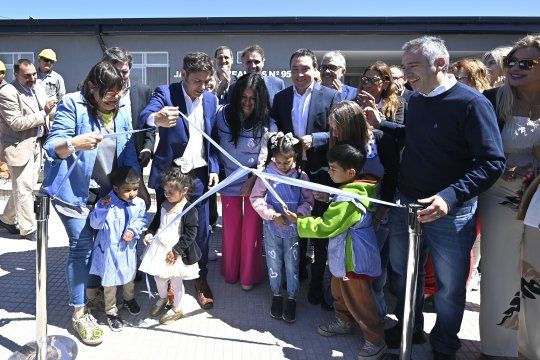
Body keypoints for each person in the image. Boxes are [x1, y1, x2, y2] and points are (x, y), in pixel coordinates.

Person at [377, 36, 505, 359]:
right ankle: (410, 325)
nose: (405, 75)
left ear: (440, 64)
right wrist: (383, 125)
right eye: (404, 67)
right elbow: (419, 137)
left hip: (452, 212)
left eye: (412, 67)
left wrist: (450, 196)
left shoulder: (472, 104)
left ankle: (445, 343)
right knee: (406, 273)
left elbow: (493, 162)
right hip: (407, 204)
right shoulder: (416, 100)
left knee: (449, 288)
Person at [42, 60, 140, 345]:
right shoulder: (73, 104)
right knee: (82, 249)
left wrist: (137, 186)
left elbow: (127, 150)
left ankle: (93, 295)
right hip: (74, 193)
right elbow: (52, 146)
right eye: (108, 96)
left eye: (118, 95)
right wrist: (74, 142)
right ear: (91, 89)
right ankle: (78, 314)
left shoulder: (120, 111)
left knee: (102, 244)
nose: (114, 101)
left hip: (107, 194)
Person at [286, 144, 387, 360]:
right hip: (345, 258)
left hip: (354, 260)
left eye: (333, 168)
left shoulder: (348, 199)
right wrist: (330, 199)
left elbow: (326, 227)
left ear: (350, 173)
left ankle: (375, 341)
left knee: (361, 301)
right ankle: (343, 321)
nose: (329, 172)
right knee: (339, 291)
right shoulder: (352, 189)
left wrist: (300, 221)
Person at [139, 52, 219, 310]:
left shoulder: (210, 99)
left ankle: (199, 279)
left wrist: (215, 168)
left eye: (207, 81)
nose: (202, 87)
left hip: (199, 176)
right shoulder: (166, 92)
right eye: (197, 81)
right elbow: (145, 116)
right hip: (172, 176)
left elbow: (212, 139)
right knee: (168, 230)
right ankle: (168, 282)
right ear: (183, 74)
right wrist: (157, 119)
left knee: (201, 230)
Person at [480, 34, 540, 359]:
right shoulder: (491, 100)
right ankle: (497, 350)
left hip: (539, 199)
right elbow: (476, 147)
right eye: (512, 62)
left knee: (537, 273)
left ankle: (533, 350)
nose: (516, 68)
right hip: (499, 196)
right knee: (498, 273)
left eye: (526, 63)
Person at [272, 48, 339, 306]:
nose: (300, 74)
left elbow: (338, 130)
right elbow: (275, 123)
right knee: (294, 224)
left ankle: (317, 284)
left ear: (315, 70)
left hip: (322, 172)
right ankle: (295, 274)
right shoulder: (281, 97)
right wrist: (276, 135)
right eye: (295, 69)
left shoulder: (331, 96)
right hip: (290, 173)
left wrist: (317, 139)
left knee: (320, 231)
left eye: (305, 68)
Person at [328, 101, 399, 319]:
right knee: (346, 273)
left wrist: (380, 215)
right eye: (331, 129)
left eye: (337, 128)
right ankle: (347, 318)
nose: (334, 134)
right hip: (348, 221)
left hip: (378, 219)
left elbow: (393, 179)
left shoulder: (380, 140)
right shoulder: (340, 144)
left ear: (351, 125)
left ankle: (374, 325)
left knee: (372, 276)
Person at [215, 72, 276, 290]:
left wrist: (254, 179)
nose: (247, 103)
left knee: (252, 230)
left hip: (255, 184)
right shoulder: (221, 114)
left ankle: (249, 276)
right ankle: (230, 271)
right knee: (231, 229)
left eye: (253, 99)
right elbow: (213, 146)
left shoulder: (267, 121)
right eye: (243, 97)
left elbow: (268, 156)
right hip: (229, 182)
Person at [250, 132, 314, 323]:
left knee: (293, 263)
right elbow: (256, 198)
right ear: (273, 158)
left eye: (288, 162)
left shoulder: (301, 175)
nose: (283, 166)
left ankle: (292, 297)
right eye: (279, 162)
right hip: (271, 228)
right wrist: (271, 214)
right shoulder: (266, 175)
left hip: (293, 230)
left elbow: (308, 200)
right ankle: (276, 294)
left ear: (295, 157)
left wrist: (300, 215)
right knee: (274, 261)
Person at [0, 59, 56, 241]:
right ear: (16, 74)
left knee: (27, 186)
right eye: (27, 76)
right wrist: (44, 113)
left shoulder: (38, 86)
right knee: (24, 189)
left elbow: (47, 110)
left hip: (37, 143)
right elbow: (16, 123)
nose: (33, 78)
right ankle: (28, 228)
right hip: (18, 146)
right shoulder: (7, 92)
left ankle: (7, 219)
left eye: (33, 74)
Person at [140, 167, 200, 324]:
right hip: (160, 248)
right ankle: (163, 297)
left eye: (171, 192)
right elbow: (157, 221)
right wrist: (150, 232)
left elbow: (191, 234)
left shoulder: (189, 209)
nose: (167, 195)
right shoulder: (164, 203)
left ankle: (177, 308)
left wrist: (177, 250)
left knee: (175, 280)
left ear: (184, 190)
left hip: (176, 252)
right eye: (165, 191)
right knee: (159, 277)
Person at [88, 166, 146, 331]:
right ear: (115, 188)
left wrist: (133, 230)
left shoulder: (139, 203)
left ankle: (129, 299)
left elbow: (141, 219)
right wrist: (101, 207)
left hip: (128, 250)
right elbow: (95, 223)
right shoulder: (107, 202)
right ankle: (111, 311)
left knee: (129, 277)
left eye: (135, 189)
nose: (132, 194)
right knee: (110, 283)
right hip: (109, 251)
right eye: (127, 190)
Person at [102, 47, 156, 170]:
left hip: (135, 157)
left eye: (124, 72)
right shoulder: (94, 92)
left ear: (130, 69)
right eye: (115, 71)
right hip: (104, 158)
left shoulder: (143, 91)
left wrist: (148, 147)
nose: (120, 76)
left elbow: (149, 123)